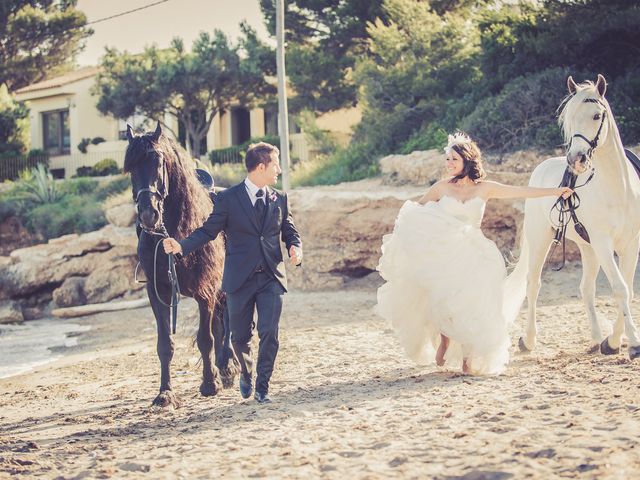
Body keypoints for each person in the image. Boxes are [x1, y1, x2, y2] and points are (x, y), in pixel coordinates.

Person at [376, 132, 572, 375]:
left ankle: (469, 356)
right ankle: (446, 339)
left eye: (453, 160)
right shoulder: (441, 188)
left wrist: (556, 192)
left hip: (475, 253)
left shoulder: (485, 188)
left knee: (474, 304)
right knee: (446, 300)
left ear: (467, 161)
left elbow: (521, 191)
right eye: (447, 159)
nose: (448, 164)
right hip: (445, 254)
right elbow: (415, 210)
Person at [163, 142, 302, 402]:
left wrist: (295, 247)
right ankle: (246, 373)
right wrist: (181, 246)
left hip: (271, 277)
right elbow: (208, 231)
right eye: (276, 164)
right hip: (239, 279)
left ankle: (262, 387)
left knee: (270, 332)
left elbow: (289, 230)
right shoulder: (228, 199)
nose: (279, 170)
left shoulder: (280, 198)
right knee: (239, 338)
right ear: (261, 167)